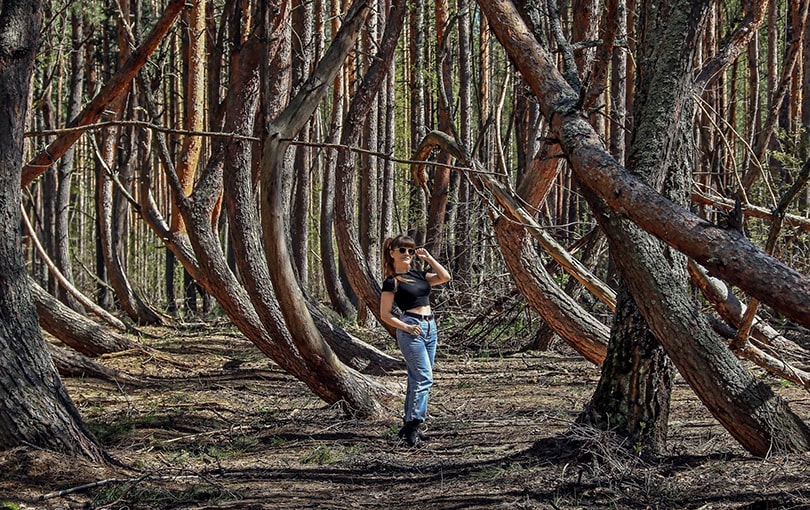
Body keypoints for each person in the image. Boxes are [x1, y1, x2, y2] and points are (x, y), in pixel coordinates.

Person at [380, 234, 451, 447]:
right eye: (402, 250)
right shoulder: (391, 281)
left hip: (431, 327)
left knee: (416, 379)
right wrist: (407, 327)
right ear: (392, 253)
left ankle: (409, 424)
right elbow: (385, 314)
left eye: (411, 251)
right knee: (424, 378)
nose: (407, 254)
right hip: (411, 328)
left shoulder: (419, 275)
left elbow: (445, 277)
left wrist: (428, 259)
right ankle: (414, 425)